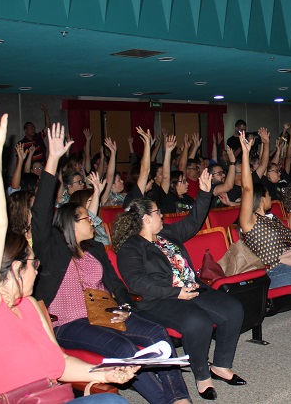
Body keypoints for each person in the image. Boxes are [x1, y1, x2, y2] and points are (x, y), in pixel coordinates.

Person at [0, 100, 134, 403]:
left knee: (113, 400)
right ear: (11, 269)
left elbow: (59, 365)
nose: (38, 267)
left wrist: (103, 374)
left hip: (48, 397)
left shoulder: (33, 306)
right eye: (32, 263)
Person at [33, 123, 191, 404]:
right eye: (86, 218)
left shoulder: (94, 248)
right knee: (125, 348)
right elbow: (41, 210)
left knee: (157, 332)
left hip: (105, 312)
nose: (93, 221)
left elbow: (114, 283)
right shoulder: (52, 247)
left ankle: (180, 399)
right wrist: (53, 159)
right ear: (70, 224)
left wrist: (124, 306)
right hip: (69, 323)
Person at [113, 168, 246, 401]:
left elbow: (194, 222)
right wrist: (175, 292)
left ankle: (221, 365)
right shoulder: (131, 247)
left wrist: (205, 192)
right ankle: (202, 376)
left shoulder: (167, 234)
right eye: (157, 212)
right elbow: (136, 282)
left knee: (233, 310)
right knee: (198, 322)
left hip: (191, 288)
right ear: (145, 219)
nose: (162, 215)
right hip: (159, 300)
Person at [237, 132, 291, 346]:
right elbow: (247, 188)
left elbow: (288, 244)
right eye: (267, 195)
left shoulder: (273, 219)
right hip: (270, 271)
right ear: (259, 198)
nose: (271, 198)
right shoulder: (250, 222)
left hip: (287, 264)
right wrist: (245, 155)